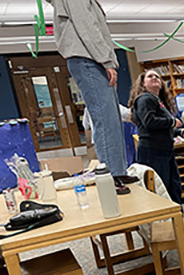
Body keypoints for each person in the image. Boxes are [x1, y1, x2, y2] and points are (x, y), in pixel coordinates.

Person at [45, 0, 136, 195]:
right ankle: (109, 175)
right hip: (88, 58)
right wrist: (106, 60)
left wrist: (108, 61)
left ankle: (118, 171)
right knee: (104, 118)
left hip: (92, 58)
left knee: (111, 118)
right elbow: (87, 25)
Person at [128, 70, 184, 205]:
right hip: (153, 152)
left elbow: (159, 128)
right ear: (143, 83)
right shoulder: (145, 99)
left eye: (157, 77)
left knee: (172, 187)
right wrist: (172, 122)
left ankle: (176, 218)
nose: (155, 78)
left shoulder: (156, 101)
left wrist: (178, 133)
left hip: (163, 150)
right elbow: (149, 122)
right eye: (150, 76)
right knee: (160, 190)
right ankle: (166, 222)